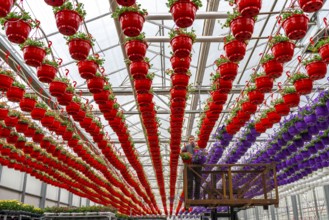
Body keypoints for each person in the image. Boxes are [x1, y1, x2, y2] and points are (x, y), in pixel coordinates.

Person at [182, 135, 202, 200]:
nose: (192, 140)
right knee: (189, 181)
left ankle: (197, 197)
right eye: (190, 139)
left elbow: (202, 154)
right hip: (189, 165)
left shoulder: (198, 146)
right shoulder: (186, 146)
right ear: (188, 140)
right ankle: (189, 197)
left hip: (197, 165)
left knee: (198, 181)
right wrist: (188, 155)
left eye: (193, 139)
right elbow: (182, 154)